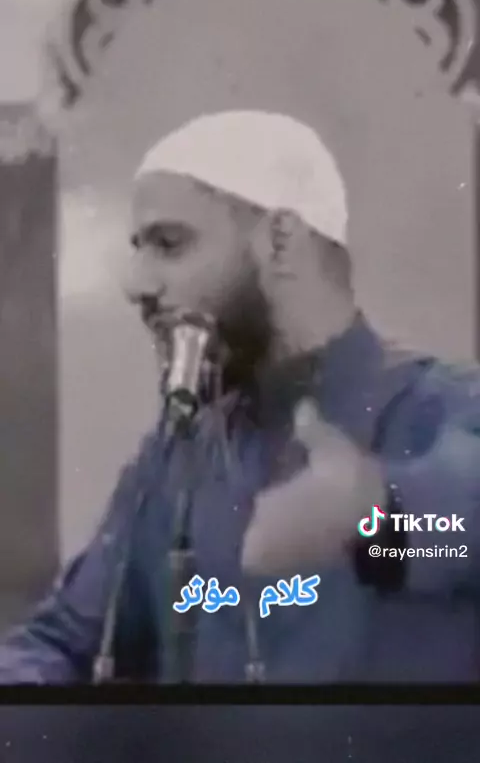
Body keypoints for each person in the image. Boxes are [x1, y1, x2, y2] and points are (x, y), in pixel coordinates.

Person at [1, 110, 480, 684]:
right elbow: (67, 643)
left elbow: (460, 533)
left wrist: (376, 519)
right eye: (139, 248)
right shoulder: (177, 460)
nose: (137, 284)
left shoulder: (442, 407)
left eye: (169, 244)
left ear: (280, 241)